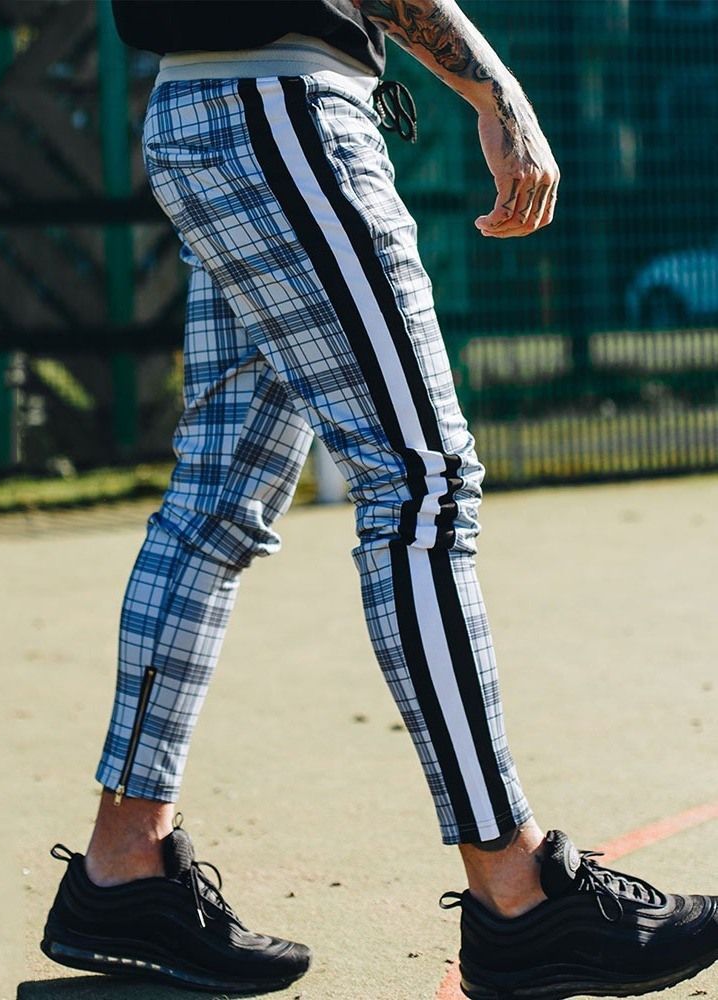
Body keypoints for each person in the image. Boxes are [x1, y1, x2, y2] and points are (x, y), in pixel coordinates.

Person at [41, 1, 718, 997]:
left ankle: (124, 865)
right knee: (421, 482)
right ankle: (517, 890)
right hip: (281, 114)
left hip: (202, 107)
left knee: (215, 505)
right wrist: (495, 89)